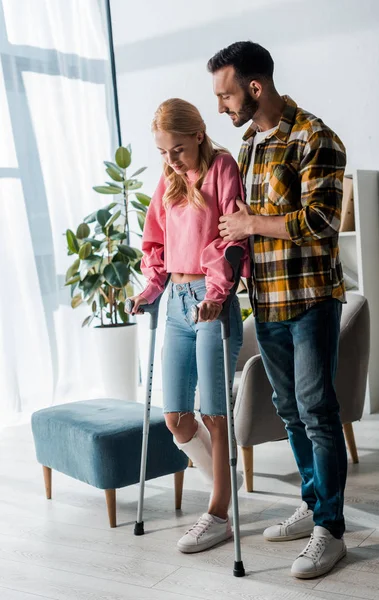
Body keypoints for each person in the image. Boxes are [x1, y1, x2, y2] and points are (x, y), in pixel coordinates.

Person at [207, 41, 348, 579]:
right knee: (290, 411)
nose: (223, 106)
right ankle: (315, 506)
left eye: (226, 95)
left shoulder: (316, 137)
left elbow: (322, 222)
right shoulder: (248, 146)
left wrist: (249, 224)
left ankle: (330, 531)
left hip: (311, 299)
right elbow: (240, 221)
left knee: (317, 411)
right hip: (265, 301)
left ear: (255, 87)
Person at [126, 98, 250, 554]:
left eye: (176, 149)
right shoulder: (169, 179)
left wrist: (217, 295)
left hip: (211, 301)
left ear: (198, 134)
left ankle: (218, 514)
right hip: (176, 304)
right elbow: (155, 239)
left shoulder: (222, 169)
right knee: (177, 419)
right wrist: (150, 288)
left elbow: (229, 238)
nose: (170, 160)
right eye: (162, 152)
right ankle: (225, 479)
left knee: (215, 415)